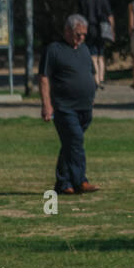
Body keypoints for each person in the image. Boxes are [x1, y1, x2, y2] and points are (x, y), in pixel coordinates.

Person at [38, 14, 99, 195]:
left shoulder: (84, 49)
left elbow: (91, 73)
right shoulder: (54, 50)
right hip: (64, 107)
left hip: (85, 107)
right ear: (67, 31)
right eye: (78, 34)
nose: (81, 38)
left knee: (70, 143)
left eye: (84, 35)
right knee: (75, 140)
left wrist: (92, 93)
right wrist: (46, 105)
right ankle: (81, 181)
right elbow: (43, 78)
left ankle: (63, 183)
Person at [78, 0, 114, 89]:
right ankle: (102, 78)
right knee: (100, 55)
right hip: (102, 29)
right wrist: (112, 30)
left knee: (93, 55)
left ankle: (96, 79)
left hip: (89, 29)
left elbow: (80, 18)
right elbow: (110, 16)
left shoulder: (83, 1)